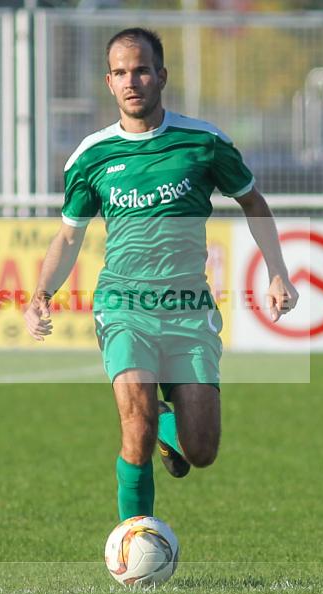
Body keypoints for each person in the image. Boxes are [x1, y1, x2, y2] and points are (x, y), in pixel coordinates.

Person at [24, 28, 298, 521]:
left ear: (161, 76)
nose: (133, 81)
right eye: (122, 72)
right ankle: (134, 541)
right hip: (124, 307)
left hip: (188, 310)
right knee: (136, 427)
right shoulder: (91, 157)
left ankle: (169, 426)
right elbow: (68, 236)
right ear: (109, 82)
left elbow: (252, 202)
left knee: (203, 449)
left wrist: (278, 273)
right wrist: (41, 293)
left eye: (142, 70)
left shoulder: (204, 143)